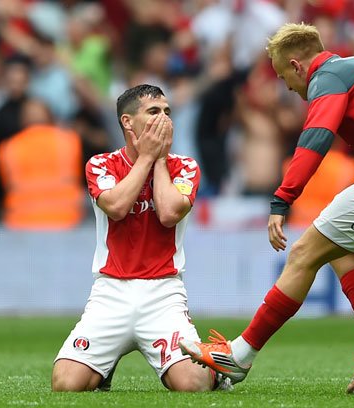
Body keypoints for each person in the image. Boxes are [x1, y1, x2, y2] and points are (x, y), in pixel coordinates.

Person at [179, 23, 354, 394]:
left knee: (304, 252)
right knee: (336, 245)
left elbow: (316, 138)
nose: (287, 87)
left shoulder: (328, 77)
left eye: (283, 76)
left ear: (297, 65)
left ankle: (239, 356)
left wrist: (283, 198)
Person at [52, 84, 231, 392]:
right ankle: (102, 369)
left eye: (167, 112)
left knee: (192, 384)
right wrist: (147, 157)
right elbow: (117, 207)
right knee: (66, 384)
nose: (164, 119)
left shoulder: (185, 166)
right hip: (111, 292)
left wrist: (158, 158)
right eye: (153, 112)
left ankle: (217, 368)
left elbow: (169, 214)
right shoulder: (101, 164)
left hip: (163, 293)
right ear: (127, 121)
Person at [0, 99, 84, 230]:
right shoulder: (70, 141)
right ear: (50, 117)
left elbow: (6, 185)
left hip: (20, 224)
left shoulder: (9, 147)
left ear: (22, 120)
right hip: (66, 221)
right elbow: (79, 177)